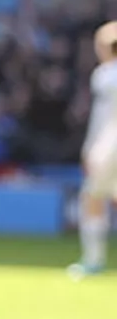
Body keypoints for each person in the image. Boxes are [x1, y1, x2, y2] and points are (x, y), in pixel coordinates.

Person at [68, 21, 117, 280]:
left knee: (92, 197)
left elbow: (103, 119)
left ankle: (93, 260)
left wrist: (91, 149)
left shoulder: (105, 74)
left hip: (110, 144)